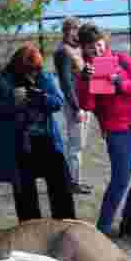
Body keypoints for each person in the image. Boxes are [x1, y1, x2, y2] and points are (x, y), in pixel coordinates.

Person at [75, 23, 131, 238]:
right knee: (121, 178)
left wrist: (122, 84)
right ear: (84, 49)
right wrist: (85, 82)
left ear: (105, 41)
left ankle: (128, 222)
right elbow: (88, 106)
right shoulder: (86, 72)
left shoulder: (122, 60)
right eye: (91, 47)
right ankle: (101, 231)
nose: (97, 50)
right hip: (118, 129)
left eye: (99, 44)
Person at [0, 44, 75, 222]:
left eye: (35, 70)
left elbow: (58, 101)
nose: (32, 74)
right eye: (28, 70)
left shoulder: (43, 76)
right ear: (18, 67)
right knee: (25, 197)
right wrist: (13, 103)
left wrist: (42, 97)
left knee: (61, 191)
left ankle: (66, 228)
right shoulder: (3, 80)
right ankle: (31, 235)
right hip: (18, 145)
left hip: (47, 142)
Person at [53, 16, 92, 195]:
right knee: (75, 145)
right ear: (64, 31)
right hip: (74, 104)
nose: (72, 33)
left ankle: (75, 180)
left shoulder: (79, 49)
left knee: (80, 145)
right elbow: (67, 83)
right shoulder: (63, 52)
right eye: (69, 29)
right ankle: (72, 183)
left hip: (84, 102)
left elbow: (80, 77)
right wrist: (76, 108)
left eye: (76, 29)